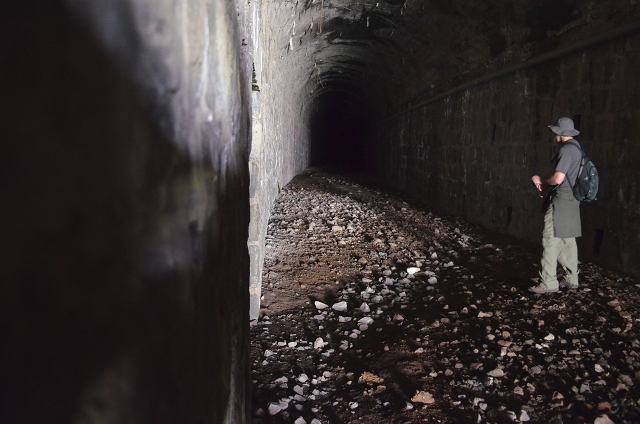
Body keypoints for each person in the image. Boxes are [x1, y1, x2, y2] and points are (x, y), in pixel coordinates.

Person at [529, 117, 583, 294]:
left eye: (555, 132)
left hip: (561, 198)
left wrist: (542, 180)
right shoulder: (578, 148)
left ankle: (548, 283)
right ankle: (572, 279)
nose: (554, 135)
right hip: (573, 198)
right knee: (568, 239)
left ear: (560, 133)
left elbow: (558, 178)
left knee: (550, 238)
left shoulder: (566, 150)